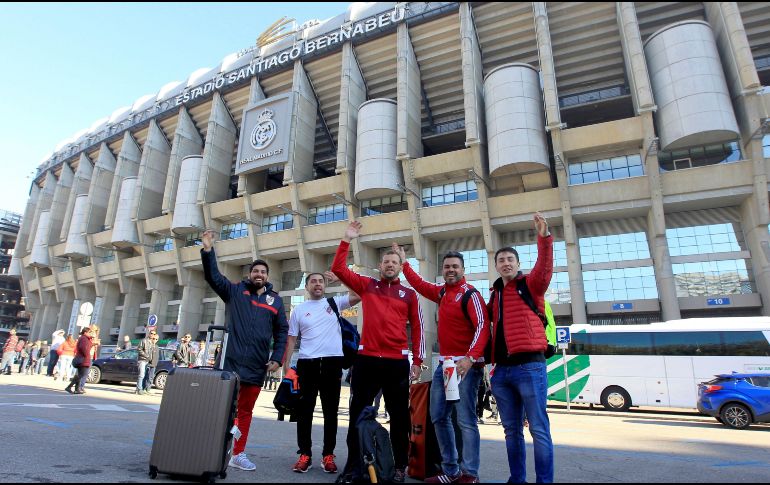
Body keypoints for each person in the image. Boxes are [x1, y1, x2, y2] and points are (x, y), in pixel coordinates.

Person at [332, 221, 425, 483]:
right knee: (356, 415)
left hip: (397, 363)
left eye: (394, 262)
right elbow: (338, 268)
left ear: (400, 267)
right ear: (380, 266)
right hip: (367, 361)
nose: (389, 265)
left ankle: (399, 467)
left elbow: (418, 327)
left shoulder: (409, 295)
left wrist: (417, 361)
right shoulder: (367, 285)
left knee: (399, 419)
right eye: (386, 262)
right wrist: (347, 240)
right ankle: (352, 466)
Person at [393, 244, 489, 484]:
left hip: (466, 367)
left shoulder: (471, 294)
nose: (450, 270)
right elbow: (420, 285)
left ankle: (470, 474)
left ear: (463, 269)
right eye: (447, 267)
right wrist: (405, 264)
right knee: (439, 416)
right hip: (445, 365)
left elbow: (482, 327)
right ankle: (451, 471)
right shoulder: (443, 293)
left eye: (455, 266)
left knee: (466, 421)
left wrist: (469, 358)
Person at [201, 228, 289, 472]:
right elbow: (213, 277)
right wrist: (208, 250)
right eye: (255, 271)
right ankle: (215, 448)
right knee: (222, 409)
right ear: (249, 274)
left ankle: (238, 453)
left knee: (246, 412)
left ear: (267, 276)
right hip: (230, 364)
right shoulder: (235, 291)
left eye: (263, 271)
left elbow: (282, 332)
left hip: (256, 366)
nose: (259, 274)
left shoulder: (276, 301)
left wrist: (277, 359)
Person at [488, 212, 554, 484]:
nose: (505, 263)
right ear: (496, 265)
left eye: (510, 259)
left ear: (517, 264)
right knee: (511, 431)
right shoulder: (494, 295)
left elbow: (545, 267)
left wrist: (544, 237)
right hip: (502, 372)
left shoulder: (531, 285)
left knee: (538, 428)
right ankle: (517, 479)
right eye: (501, 260)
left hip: (530, 366)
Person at [283, 272, 361, 474]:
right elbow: (291, 339)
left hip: (332, 364)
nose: (317, 284)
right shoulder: (299, 310)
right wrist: (286, 368)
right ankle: (305, 454)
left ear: (325, 286)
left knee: (330, 413)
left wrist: (342, 279)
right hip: (306, 365)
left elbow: (359, 294)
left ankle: (328, 455)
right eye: (313, 281)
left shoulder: (335, 303)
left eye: (321, 281)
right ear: (307, 286)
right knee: (305, 412)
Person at [65, 326, 94, 395]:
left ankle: (77, 389)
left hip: (82, 358)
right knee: (82, 374)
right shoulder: (84, 338)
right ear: (86, 332)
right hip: (83, 359)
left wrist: (92, 344)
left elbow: (85, 347)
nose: (91, 334)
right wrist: (87, 355)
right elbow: (83, 348)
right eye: (90, 332)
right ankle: (69, 387)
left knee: (80, 374)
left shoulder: (84, 338)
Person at [136, 331, 159, 395]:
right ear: (149, 334)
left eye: (154, 334)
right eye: (151, 333)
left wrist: (150, 359)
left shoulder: (152, 343)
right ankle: (139, 389)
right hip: (142, 360)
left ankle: (139, 389)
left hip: (147, 361)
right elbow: (139, 349)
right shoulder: (144, 341)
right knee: (141, 375)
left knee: (144, 376)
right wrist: (147, 356)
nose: (152, 335)